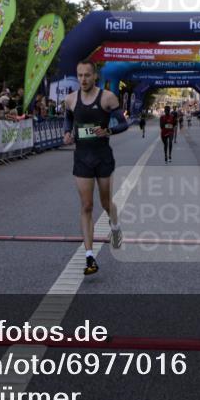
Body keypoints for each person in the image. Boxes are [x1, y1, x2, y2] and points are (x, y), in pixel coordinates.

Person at [62, 60, 128, 276]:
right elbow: (68, 118)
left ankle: (115, 226)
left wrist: (109, 131)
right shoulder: (71, 99)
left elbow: (123, 123)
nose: (83, 79)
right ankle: (89, 257)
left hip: (102, 157)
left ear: (95, 76)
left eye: (87, 75)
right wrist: (67, 133)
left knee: (106, 203)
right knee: (87, 205)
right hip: (82, 158)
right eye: (80, 75)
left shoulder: (107, 98)